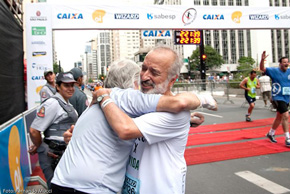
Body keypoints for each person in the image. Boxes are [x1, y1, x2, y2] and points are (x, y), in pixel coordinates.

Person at [51, 59, 216, 194]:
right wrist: (204, 98)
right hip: (91, 188)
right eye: (142, 74)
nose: (145, 80)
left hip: (61, 182)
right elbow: (179, 102)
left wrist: (186, 121)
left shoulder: (101, 103)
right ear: (134, 82)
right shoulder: (124, 96)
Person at [94, 46, 215, 194]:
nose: (144, 76)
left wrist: (103, 96)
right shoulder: (142, 103)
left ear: (172, 80)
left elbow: (125, 129)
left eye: (154, 72)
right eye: (144, 68)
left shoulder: (175, 113)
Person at [29, 72, 78, 189]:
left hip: (61, 152)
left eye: (72, 85)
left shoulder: (66, 103)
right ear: (58, 87)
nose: (71, 88)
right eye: (66, 85)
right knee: (55, 188)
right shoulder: (52, 103)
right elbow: (34, 130)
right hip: (52, 154)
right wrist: (40, 146)